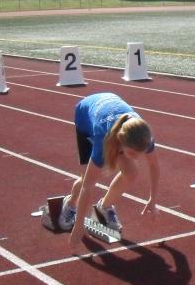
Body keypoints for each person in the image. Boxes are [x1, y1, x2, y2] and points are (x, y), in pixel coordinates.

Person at [63, 93, 159, 247]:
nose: (136, 157)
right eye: (132, 153)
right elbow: (88, 186)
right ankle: (69, 204)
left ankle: (104, 207)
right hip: (85, 116)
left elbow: (153, 165)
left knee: (131, 172)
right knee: (85, 178)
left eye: (139, 153)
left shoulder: (145, 137)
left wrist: (152, 199)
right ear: (120, 142)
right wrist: (78, 226)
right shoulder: (102, 138)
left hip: (111, 110)